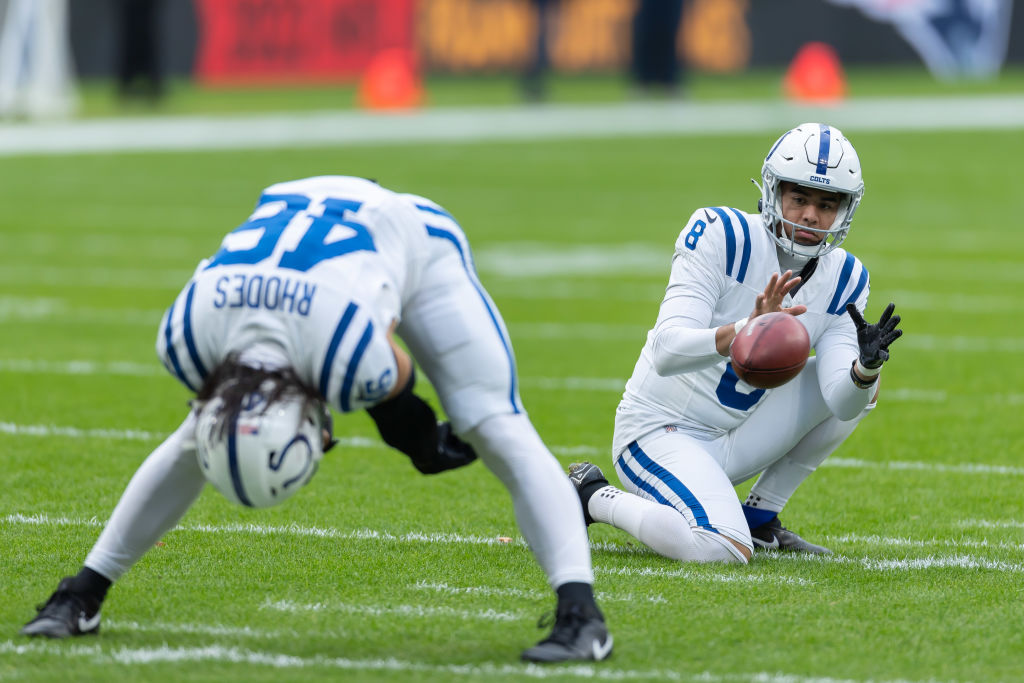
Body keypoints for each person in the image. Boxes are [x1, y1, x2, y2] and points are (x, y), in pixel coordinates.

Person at [20, 175, 613, 663]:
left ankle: (584, 618)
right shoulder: (185, 336)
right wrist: (417, 440)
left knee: (494, 423)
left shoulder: (329, 347)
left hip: (414, 240)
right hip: (307, 230)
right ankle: (84, 592)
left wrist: (418, 436)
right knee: (194, 438)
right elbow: (246, 405)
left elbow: (396, 374)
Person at [569, 123, 902, 563]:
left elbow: (841, 405)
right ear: (773, 191)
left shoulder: (847, 278)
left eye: (826, 204)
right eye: (798, 198)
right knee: (721, 548)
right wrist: (743, 330)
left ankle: (761, 518)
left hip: (734, 437)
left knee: (864, 390)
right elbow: (667, 351)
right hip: (659, 432)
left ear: (845, 210)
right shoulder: (721, 234)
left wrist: (866, 369)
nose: (809, 216)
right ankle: (591, 494)